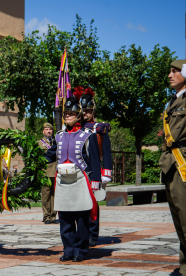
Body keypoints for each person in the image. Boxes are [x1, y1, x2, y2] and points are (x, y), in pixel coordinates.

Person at [45, 90, 101, 262]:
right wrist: (32, 156)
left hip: (81, 181)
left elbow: (94, 162)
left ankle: (81, 251)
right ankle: (68, 249)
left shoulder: (87, 136)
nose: (68, 116)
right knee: (65, 219)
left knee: (82, 219)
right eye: (66, 114)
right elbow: (49, 155)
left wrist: (96, 183)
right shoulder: (59, 136)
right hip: (62, 182)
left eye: (71, 114)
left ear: (78, 116)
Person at [159, 60, 186, 276]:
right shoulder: (175, 101)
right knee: (180, 221)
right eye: (170, 71)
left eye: (175, 71)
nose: (170, 75)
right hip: (172, 164)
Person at [80, 88, 112, 247]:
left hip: (94, 170)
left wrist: (106, 172)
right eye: (82, 110)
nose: (85, 113)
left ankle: (93, 233)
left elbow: (106, 151)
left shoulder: (99, 127)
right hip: (78, 171)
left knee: (93, 202)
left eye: (87, 110)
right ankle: (81, 232)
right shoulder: (75, 127)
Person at [38, 122, 59, 225]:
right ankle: (46, 216)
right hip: (45, 172)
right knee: (46, 196)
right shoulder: (39, 143)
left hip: (56, 171)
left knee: (54, 195)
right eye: (46, 129)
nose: (49, 131)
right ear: (43, 131)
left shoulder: (57, 142)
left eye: (50, 130)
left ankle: (54, 216)